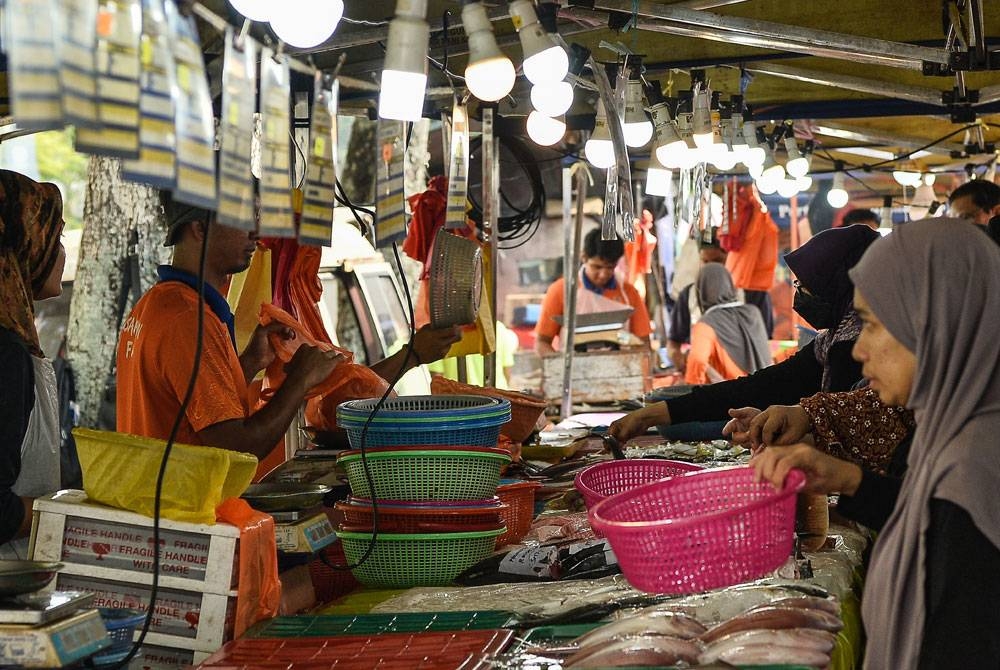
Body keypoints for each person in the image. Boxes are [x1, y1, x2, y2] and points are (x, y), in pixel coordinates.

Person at [752, 218, 1000, 667]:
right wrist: (847, 479)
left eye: (871, 324)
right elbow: (929, 518)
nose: (860, 349)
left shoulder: (974, 470)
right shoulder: (956, 430)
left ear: (933, 323)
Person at [116, 192, 459, 459]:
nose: (255, 231)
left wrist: (250, 362)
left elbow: (191, 406)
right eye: (242, 218)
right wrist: (300, 381)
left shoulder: (160, 305)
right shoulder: (187, 319)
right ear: (200, 228)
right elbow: (237, 446)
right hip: (183, 524)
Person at [609, 224, 879, 443]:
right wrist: (653, 414)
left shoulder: (854, 346)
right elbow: (763, 385)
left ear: (838, 285)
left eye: (807, 285)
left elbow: (847, 433)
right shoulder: (831, 341)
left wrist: (792, 425)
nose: (799, 293)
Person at [0, 171, 67, 553]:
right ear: (26, 243)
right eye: (54, 238)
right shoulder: (7, 354)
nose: (60, 253)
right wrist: (69, 513)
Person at [534, 227, 652, 356]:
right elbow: (542, 343)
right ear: (584, 257)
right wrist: (558, 366)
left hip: (620, 370)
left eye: (610, 267)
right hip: (573, 372)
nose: (603, 274)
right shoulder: (561, 291)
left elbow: (644, 344)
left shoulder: (629, 293)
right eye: (597, 267)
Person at [684, 263, 771, 385]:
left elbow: (697, 361)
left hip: (733, 398)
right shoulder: (753, 312)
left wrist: (693, 391)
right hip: (767, 391)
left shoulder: (706, 325)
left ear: (700, 292)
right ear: (730, 285)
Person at [666, 235, 732, 372]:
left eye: (718, 261)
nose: (711, 268)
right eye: (705, 261)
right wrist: (678, 358)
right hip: (702, 373)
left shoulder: (747, 293)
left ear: (729, 258)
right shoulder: (688, 296)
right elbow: (673, 343)